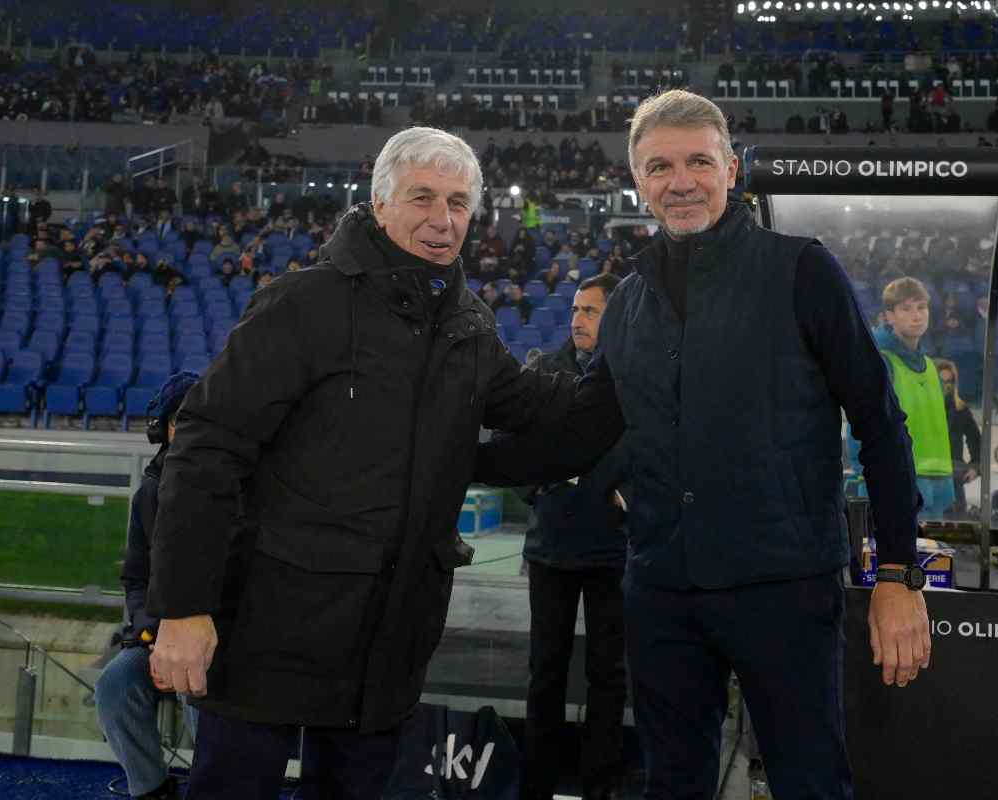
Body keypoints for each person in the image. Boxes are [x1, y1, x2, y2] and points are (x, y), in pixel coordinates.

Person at [473, 90, 929, 800]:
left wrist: (897, 574)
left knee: (810, 782)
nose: (680, 181)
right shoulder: (628, 302)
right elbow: (579, 436)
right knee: (673, 785)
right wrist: (453, 456)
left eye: (698, 162)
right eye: (660, 166)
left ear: (732, 169)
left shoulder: (802, 271)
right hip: (662, 588)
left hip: (783, 586)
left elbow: (879, 421)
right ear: (638, 180)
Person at [145, 127, 611, 800]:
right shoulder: (303, 302)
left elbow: (543, 409)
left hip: (388, 644)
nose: (442, 218)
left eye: (458, 202)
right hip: (269, 631)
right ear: (381, 202)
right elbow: (205, 450)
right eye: (423, 197)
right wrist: (184, 608)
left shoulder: (469, 325)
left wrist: (635, 377)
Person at [520, 273, 627, 800]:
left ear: (616, 317)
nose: (577, 320)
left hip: (613, 549)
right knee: (546, 672)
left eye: (589, 311)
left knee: (609, 675)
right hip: (552, 547)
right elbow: (517, 440)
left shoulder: (634, 372)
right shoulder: (544, 370)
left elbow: (639, 444)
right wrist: (539, 487)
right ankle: (536, 786)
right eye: (575, 310)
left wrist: (611, 490)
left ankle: (599, 787)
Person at [95, 372, 201, 800]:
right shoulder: (150, 492)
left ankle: (215, 786)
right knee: (115, 684)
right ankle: (151, 790)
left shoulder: (234, 485)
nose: (187, 429)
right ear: (165, 428)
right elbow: (136, 578)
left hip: (214, 638)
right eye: (179, 420)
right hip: (158, 635)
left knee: (194, 680)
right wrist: (150, 636)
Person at [876, 277, 956, 520]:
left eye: (921, 307)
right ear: (889, 316)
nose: (917, 316)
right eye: (906, 309)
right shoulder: (881, 361)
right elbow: (863, 424)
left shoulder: (931, 366)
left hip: (938, 483)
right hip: (898, 482)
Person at [936, 358, 981, 518]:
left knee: (955, 523)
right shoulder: (922, 408)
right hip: (926, 478)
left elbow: (976, 440)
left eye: (950, 381)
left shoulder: (960, 409)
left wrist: (975, 467)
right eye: (942, 381)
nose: (946, 386)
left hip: (953, 479)